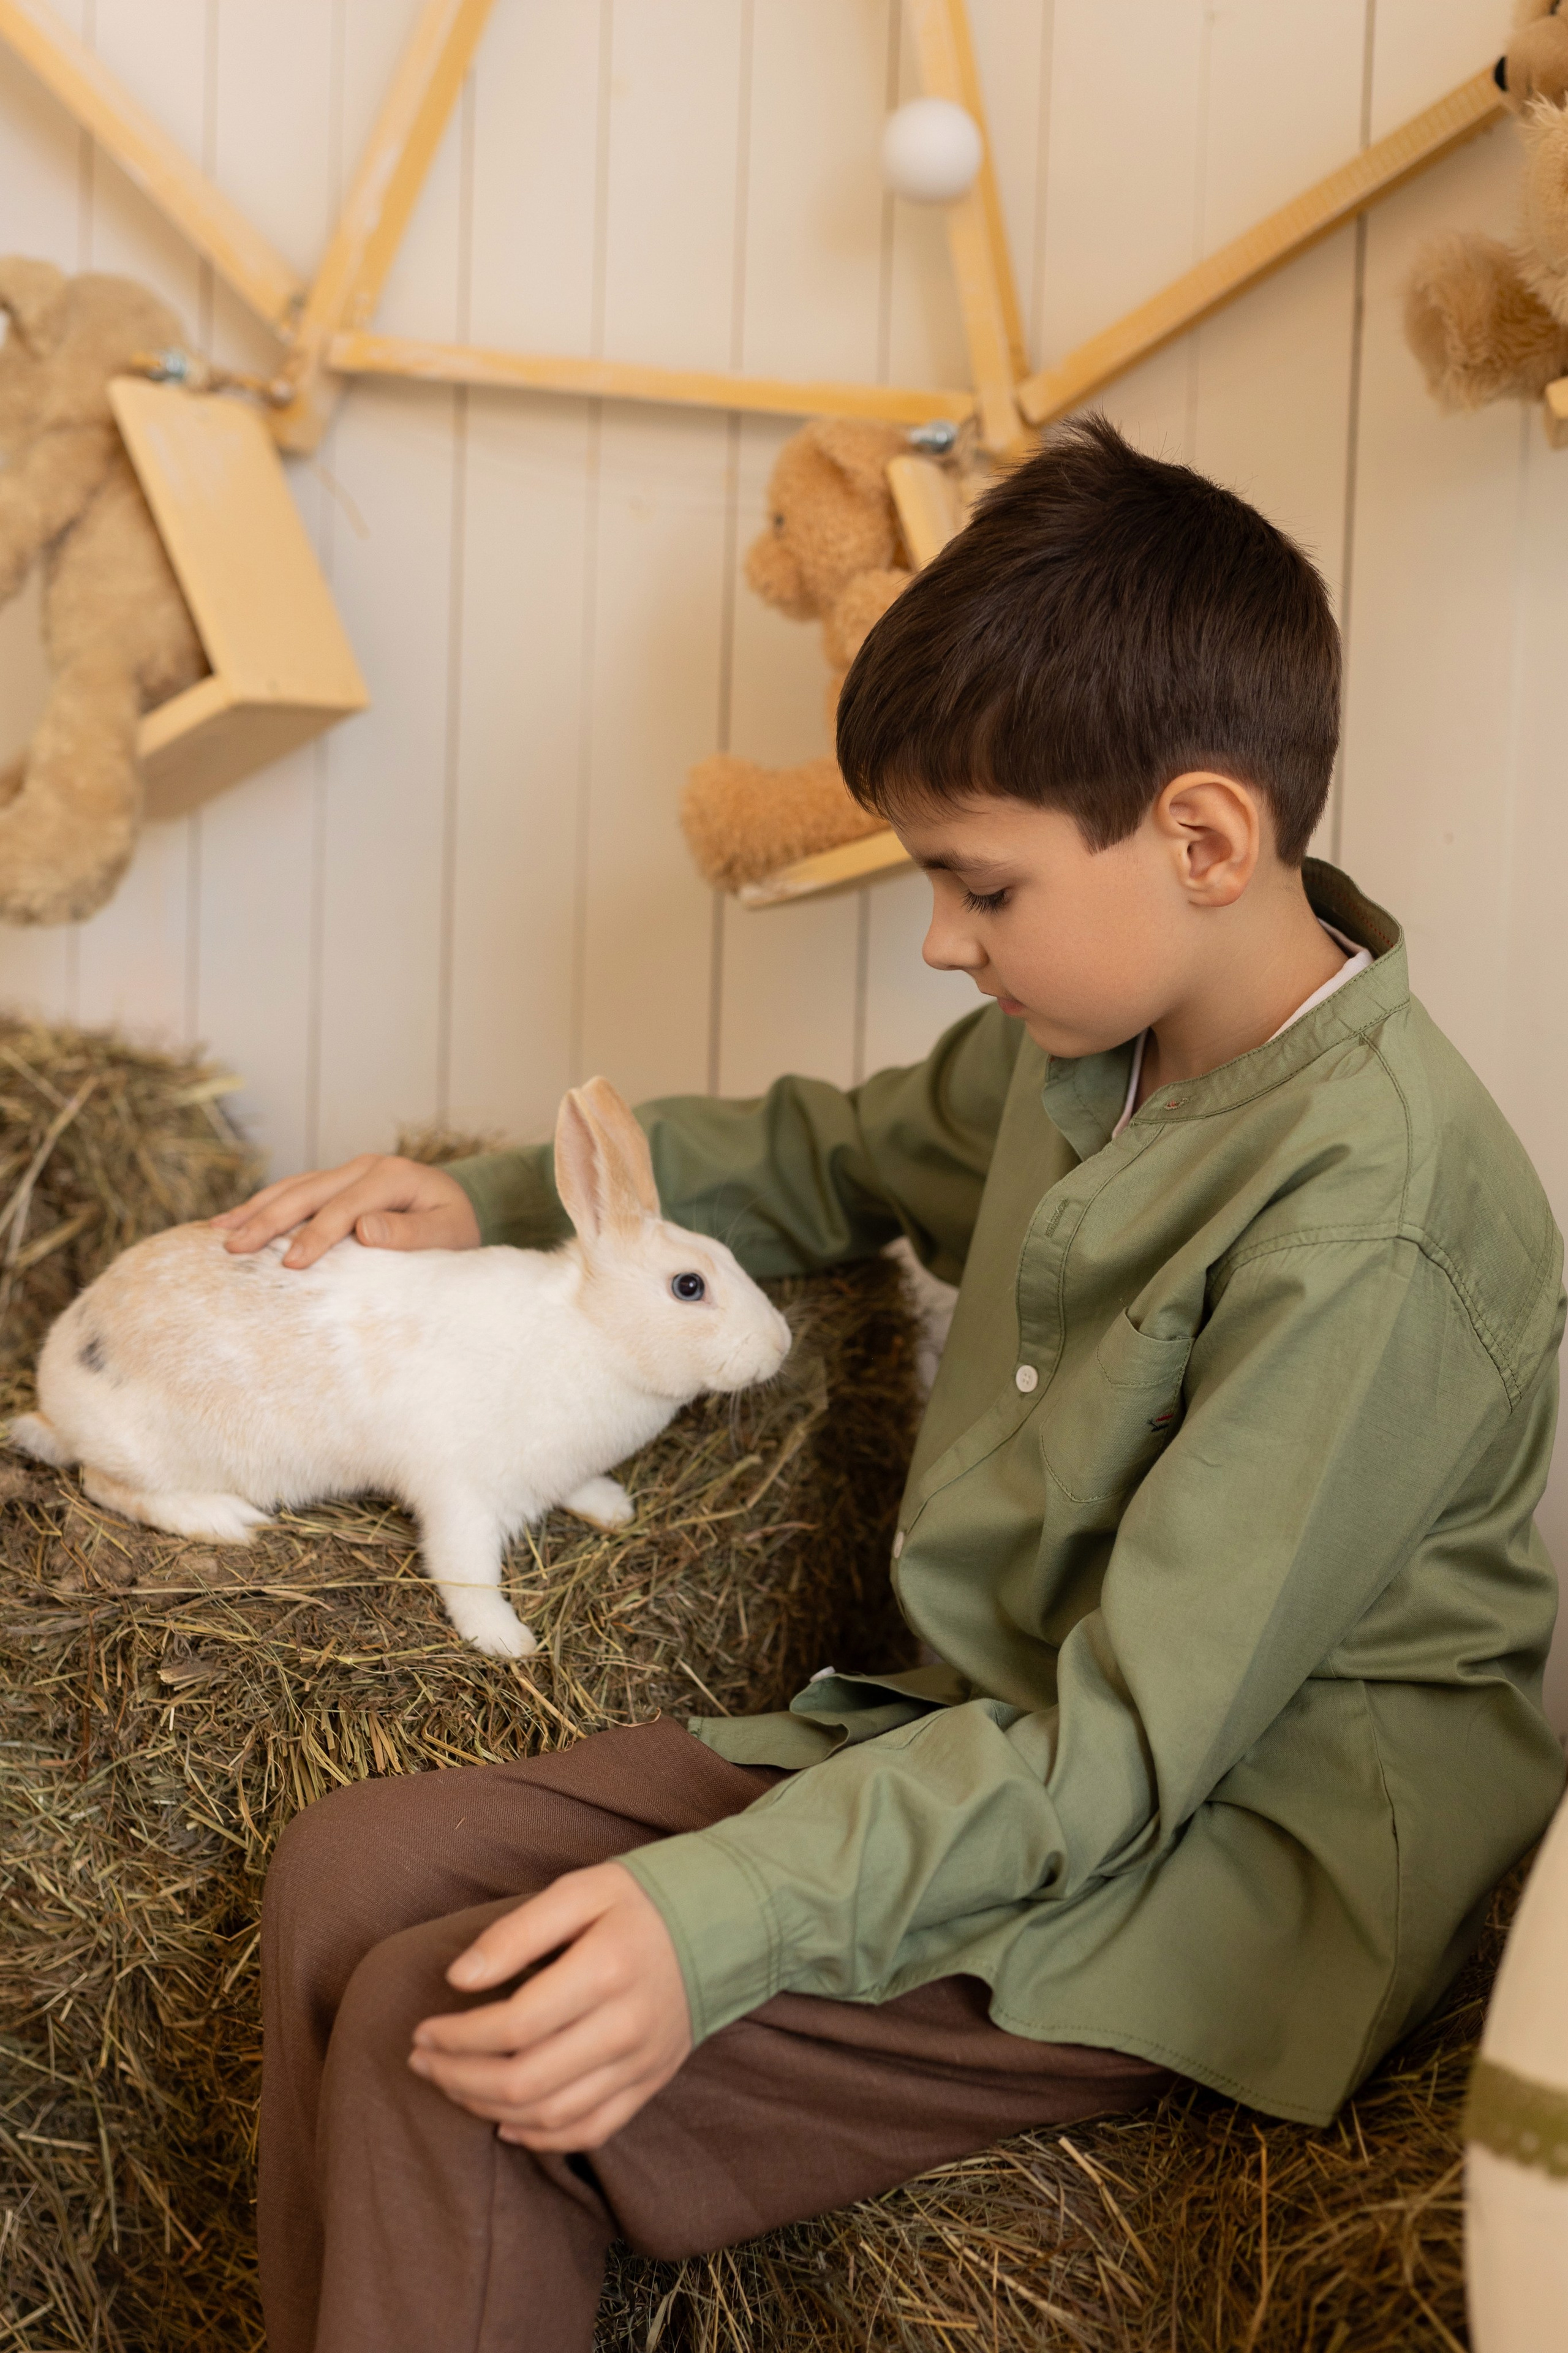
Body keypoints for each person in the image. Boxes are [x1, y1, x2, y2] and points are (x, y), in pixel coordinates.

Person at [219, 418, 1566, 2353]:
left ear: (1203, 837)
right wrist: (499, 1198)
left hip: (1213, 1862)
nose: (941, 940)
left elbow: (1125, 1750)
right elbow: (835, 1152)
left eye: (980, 886)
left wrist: (718, 1921)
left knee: (464, 2029)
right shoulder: (1087, 1037)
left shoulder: (1378, 1225)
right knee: (352, 1866)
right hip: (979, 1737)